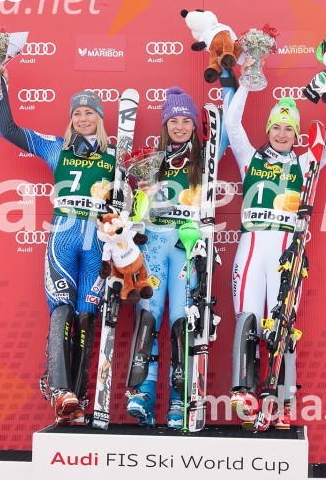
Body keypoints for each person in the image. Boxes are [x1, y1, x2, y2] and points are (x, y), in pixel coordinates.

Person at [0, 67, 115, 425]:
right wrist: (1, 84)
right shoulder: (55, 147)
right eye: (77, 113)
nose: (82, 118)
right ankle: (60, 390)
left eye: (89, 112)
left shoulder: (114, 156)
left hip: (97, 242)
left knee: (87, 317)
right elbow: (8, 130)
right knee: (60, 310)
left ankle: (78, 400)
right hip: (63, 233)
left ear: (100, 118)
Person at [224, 57, 326, 429]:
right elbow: (231, 125)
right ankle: (244, 391)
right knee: (249, 318)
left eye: (289, 128)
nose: (283, 133)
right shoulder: (249, 157)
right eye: (277, 127)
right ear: (269, 129)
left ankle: (283, 400)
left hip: (288, 250)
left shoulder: (306, 164)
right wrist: (246, 83)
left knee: (282, 323)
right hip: (253, 244)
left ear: (296, 133)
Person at [124, 85, 230, 429]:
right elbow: (135, 205)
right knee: (148, 318)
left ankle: (179, 401)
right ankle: (141, 393)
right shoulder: (149, 160)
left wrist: (230, 77)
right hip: (154, 242)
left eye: (186, 120)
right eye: (174, 121)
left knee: (183, 323)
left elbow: (229, 124)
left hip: (186, 246)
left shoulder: (207, 157)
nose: (180, 126)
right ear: (165, 124)